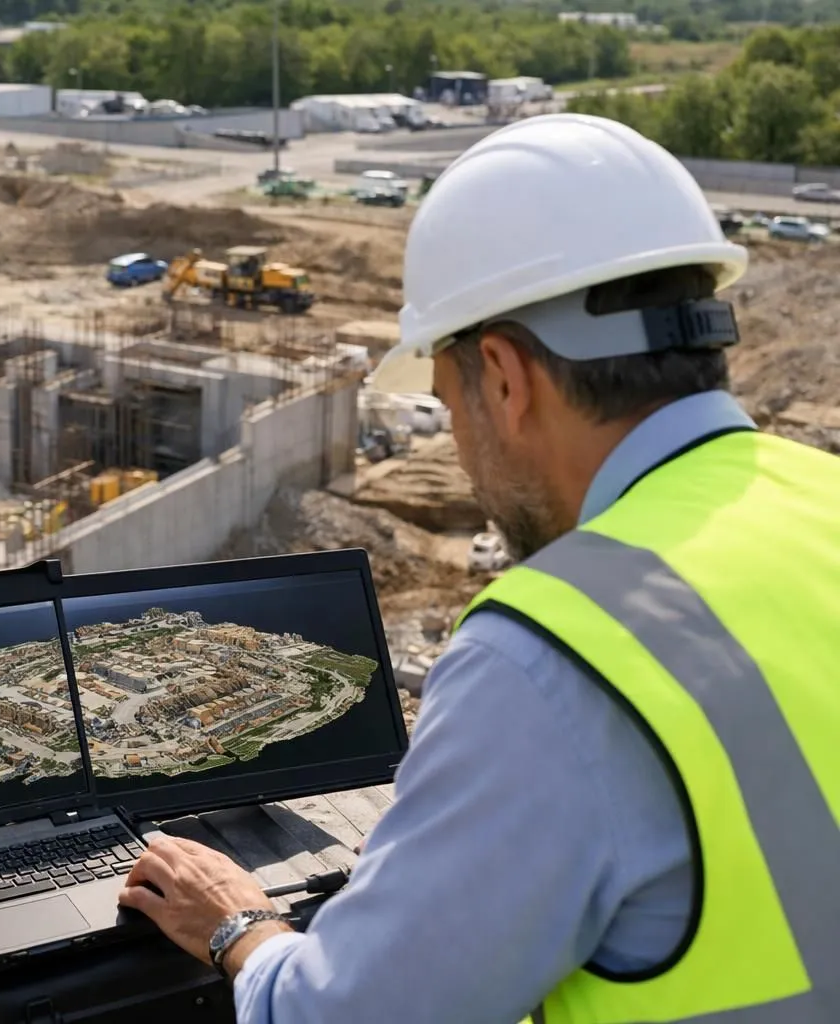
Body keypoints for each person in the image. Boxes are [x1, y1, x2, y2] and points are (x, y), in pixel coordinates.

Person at [119, 113, 840, 1023]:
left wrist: (241, 929)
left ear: (502, 375)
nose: (455, 441)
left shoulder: (553, 655)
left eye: (446, 399)